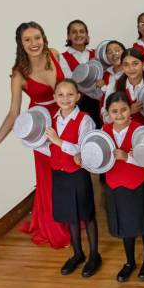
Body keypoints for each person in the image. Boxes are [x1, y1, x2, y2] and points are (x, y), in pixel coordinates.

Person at [0, 22, 70, 248]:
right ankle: (55, 230)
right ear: (20, 43)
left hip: (65, 119)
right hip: (41, 127)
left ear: (43, 37)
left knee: (69, 172)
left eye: (36, 37)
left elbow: (71, 86)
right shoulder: (19, 73)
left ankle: (72, 219)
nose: (33, 43)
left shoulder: (55, 54)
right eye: (27, 39)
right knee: (49, 179)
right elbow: (13, 113)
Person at [45, 79, 99, 276]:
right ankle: (78, 254)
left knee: (86, 214)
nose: (65, 98)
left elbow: (84, 149)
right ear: (54, 98)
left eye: (70, 94)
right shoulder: (51, 119)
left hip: (77, 173)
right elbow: (47, 146)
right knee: (70, 215)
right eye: (60, 95)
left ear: (78, 96)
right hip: (59, 173)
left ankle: (94, 255)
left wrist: (58, 141)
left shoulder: (85, 120)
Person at [100, 92, 144, 282]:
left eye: (123, 110)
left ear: (130, 110)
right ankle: (130, 261)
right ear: (108, 113)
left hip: (136, 183)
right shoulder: (104, 130)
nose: (120, 114)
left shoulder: (139, 130)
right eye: (114, 111)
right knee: (124, 225)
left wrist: (127, 157)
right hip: (115, 184)